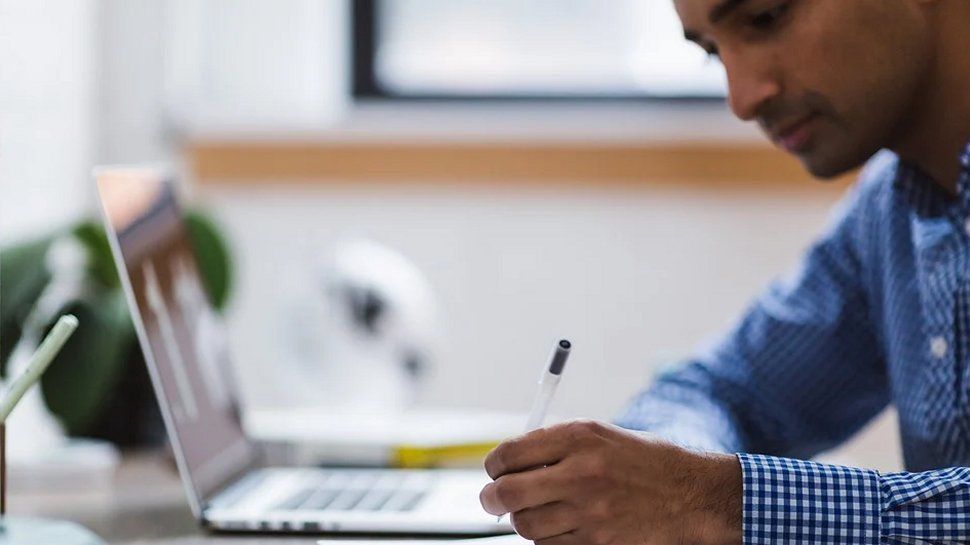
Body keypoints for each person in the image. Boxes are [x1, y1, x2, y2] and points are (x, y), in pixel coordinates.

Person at [477, 1, 970, 544]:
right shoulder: (890, 208)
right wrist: (657, 478)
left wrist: (715, 500)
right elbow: (725, 391)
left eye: (765, 18)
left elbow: (709, 490)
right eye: (713, 52)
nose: (742, 99)